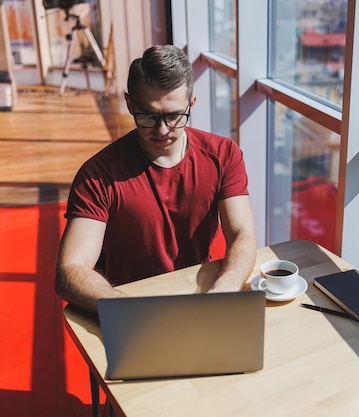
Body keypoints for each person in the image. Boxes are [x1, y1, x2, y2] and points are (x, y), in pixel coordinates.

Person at [55, 45, 257, 312]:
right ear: (129, 104)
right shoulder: (98, 175)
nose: (162, 130)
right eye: (148, 116)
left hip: (197, 295)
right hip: (130, 305)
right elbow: (70, 268)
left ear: (191, 104)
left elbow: (243, 233)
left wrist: (227, 286)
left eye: (174, 116)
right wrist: (133, 311)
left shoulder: (223, 155)